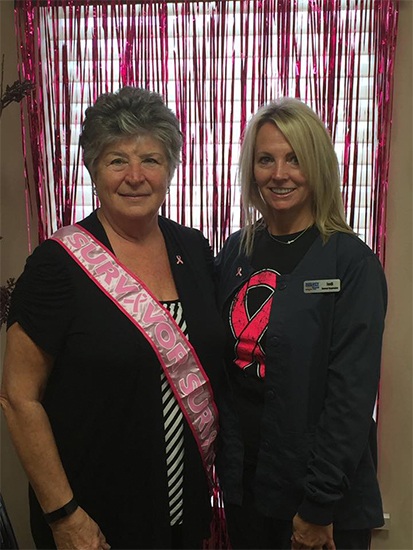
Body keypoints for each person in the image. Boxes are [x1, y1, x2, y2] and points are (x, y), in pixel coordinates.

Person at [0, 86, 229, 550]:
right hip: (94, 517)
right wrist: (64, 516)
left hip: (183, 509)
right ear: (92, 169)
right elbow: (18, 398)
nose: (135, 176)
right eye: (116, 160)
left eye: (151, 159)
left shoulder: (194, 248)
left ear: (170, 169)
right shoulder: (56, 265)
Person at [214, 97, 387, 550]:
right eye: (266, 159)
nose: (279, 173)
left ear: (317, 166)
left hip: (319, 503)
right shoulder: (235, 253)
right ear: (251, 170)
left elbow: (351, 395)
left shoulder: (351, 263)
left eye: (295, 159)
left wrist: (317, 506)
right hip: (246, 485)